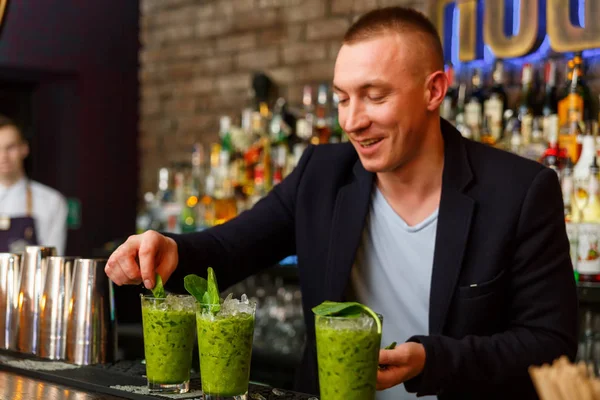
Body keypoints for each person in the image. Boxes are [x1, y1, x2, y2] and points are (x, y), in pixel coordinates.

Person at [105, 6, 578, 399]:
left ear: (434, 90)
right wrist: (173, 249)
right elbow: (232, 247)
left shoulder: (519, 191)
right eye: (342, 99)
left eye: (374, 96)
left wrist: (431, 360)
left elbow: (551, 346)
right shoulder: (322, 175)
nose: (352, 121)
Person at [0, 115, 68, 254]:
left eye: (10, 147)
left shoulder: (52, 201)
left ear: (24, 149)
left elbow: (51, 262)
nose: (3, 156)